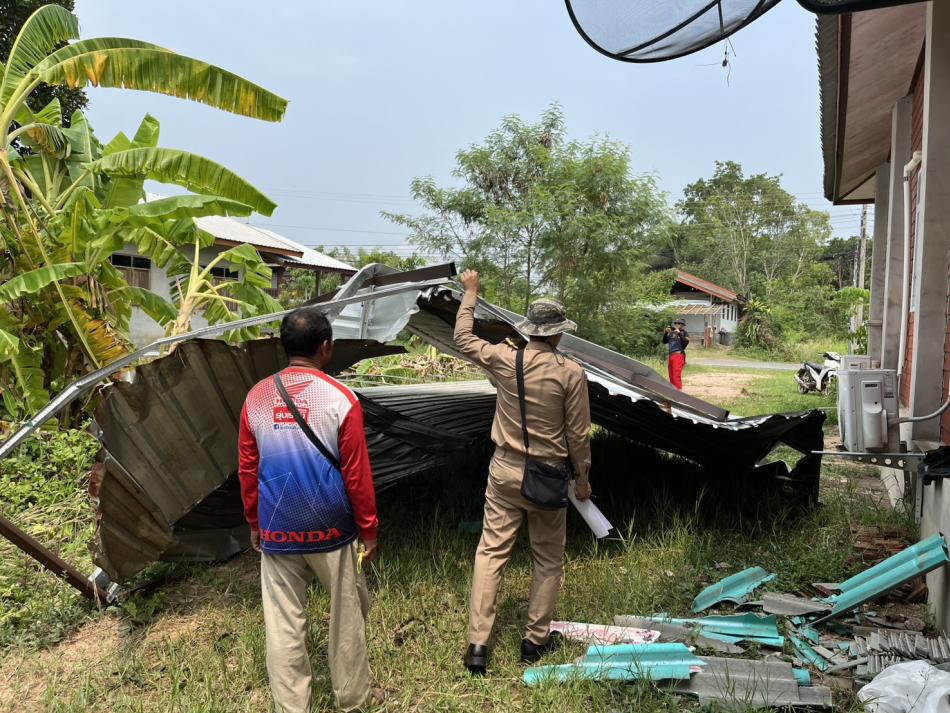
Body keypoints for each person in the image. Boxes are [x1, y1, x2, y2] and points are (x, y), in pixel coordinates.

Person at [238, 307, 384, 713]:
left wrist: (254, 522)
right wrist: (368, 528)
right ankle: (354, 699)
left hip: (276, 525)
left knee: (283, 625)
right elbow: (357, 474)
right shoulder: (342, 398)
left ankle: (292, 707)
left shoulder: (256, 398)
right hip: (331, 528)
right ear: (325, 347)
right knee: (346, 616)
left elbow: (248, 469)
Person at [454, 269, 592, 675]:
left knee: (491, 552)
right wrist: (581, 478)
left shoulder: (503, 358)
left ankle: (478, 645)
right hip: (548, 476)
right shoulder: (570, 372)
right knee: (547, 560)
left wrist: (472, 294)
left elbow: (462, 338)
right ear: (559, 334)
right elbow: (579, 434)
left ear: (529, 330)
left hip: (504, 470)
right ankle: (534, 642)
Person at [663, 318, 689, 390]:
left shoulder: (684, 333)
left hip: (678, 355)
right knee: (671, 375)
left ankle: (678, 392)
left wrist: (679, 333)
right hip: (671, 355)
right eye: (675, 323)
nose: (677, 325)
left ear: (683, 325)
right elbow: (664, 341)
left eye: (679, 323)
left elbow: (685, 343)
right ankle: (673, 391)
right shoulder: (672, 333)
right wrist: (666, 333)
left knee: (676, 375)